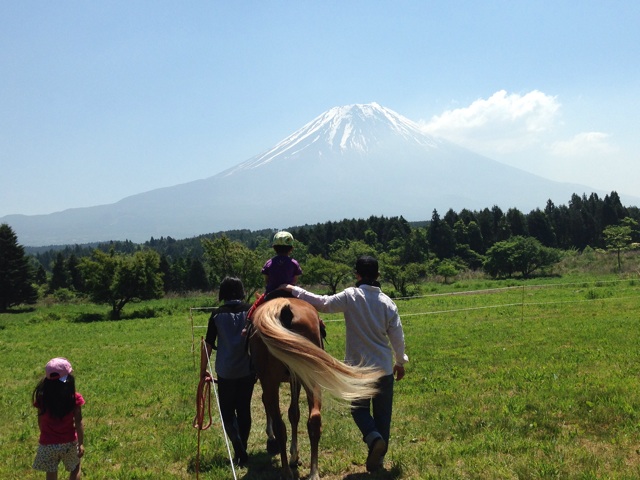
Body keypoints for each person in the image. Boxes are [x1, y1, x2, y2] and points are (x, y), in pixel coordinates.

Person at [280, 255, 408, 473]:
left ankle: (373, 437)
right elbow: (397, 336)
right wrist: (400, 361)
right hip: (384, 368)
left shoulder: (351, 296)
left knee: (359, 411)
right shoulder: (388, 303)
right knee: (383, 415)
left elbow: (323, 303)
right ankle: (377, 458)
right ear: (378, 276)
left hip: (358, 370)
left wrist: (294, 290)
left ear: (357, 275)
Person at [201, 276, 254, 466]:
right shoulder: (250, 311)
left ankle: (239, 450)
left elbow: (208, 344)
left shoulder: (216, 315)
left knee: (227, 413)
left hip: (225, 371)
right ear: (240, 291)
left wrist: (202, 371)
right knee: (244, 410)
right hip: (247, 370)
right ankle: (243, 448)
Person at [32, 357, 85, 480]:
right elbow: (79, 422)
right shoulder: (74, 398)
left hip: (47, 444)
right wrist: (81, 443)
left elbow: (40, 421)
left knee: (51, 472)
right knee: (76, 467)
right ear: (68, 379)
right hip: (69, 442)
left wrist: (44, 434)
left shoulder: (42, 398)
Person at [261, 230, 302, 295]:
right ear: (291, 249)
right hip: (289, 293)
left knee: (256, 305)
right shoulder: (294, 263)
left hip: (271, 293)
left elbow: (267, 280)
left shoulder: (269, 263)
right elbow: (294, 281)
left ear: (274, 248)